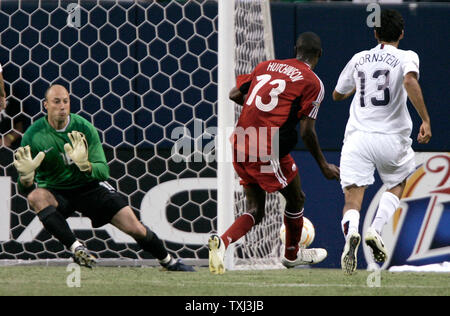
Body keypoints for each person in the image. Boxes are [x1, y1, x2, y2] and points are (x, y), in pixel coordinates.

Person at [13, 84, 195, 271]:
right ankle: (77, 248)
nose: (62, 106)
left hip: (89, 188)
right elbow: (25, 189)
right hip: (56, 191)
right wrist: (25, 177)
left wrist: (86, 165)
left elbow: (103, 172)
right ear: (46, 105)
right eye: (56, 101)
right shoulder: (32, 135)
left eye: (66, 101)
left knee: (135, 228)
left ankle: (168, 261)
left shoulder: (84, 128)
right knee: (36, 197)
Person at [208, 32, 340, 274]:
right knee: (296, 197)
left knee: (255, 211)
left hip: (239, 141)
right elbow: (308, 132)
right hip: (265, 147)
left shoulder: (266, 65)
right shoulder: (313, 82)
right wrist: (324, 165)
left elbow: (234, 94)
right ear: (319, 55)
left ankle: (222, 242)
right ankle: (292, 255)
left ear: (295, 49)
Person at [332, 9, 432, 275]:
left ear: (375, 33)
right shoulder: (407, 56)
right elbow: (409, 80)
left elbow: (337, 95)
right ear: (401, 33)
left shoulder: (359, 58)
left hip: (358, 139)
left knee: (353, 199)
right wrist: (425, 119)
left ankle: (352, 232)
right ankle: (375, 229)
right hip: (391, 139)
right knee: (397, 183)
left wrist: (358, 85)